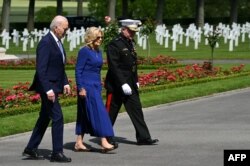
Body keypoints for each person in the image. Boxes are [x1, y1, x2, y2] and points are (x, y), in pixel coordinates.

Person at [22, 15, 72, 162]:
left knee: (45, 117)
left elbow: (59, 66)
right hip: (48, 87)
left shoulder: (57, 42)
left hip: (55, 85)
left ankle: (30, 148)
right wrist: (48, 90)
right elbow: (41, 70)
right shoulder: (46, 43)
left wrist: (65, 82)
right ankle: (57, 153)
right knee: (58, 117)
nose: (66, 31)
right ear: (56, 27)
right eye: (65, 28)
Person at [105, 19, 159, 145]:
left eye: (134, 32)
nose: (132, 34)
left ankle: (143, 137)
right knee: (110, 112)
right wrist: (123, 83)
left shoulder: (130, 43)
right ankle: (106, 138)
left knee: (136, 109)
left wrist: (135, 80)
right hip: (116, 84)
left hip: (130, 83)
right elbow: (114, 66)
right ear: (123, 29)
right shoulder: (114, 44)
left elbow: (132, 64)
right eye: (130, 31)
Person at [74, 27, 118, 153]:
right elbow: (78, 70)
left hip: (95, 86)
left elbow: (98, 70)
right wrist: (80, 87)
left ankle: (78, 142)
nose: (100, 39)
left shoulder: (98, 51)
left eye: (101, 37)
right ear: (91, 37)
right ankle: (104, 141)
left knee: (84, 114)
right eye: (98, 37)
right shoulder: (84, 51)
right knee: (100, 113)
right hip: (86, 87)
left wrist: (99, 84)